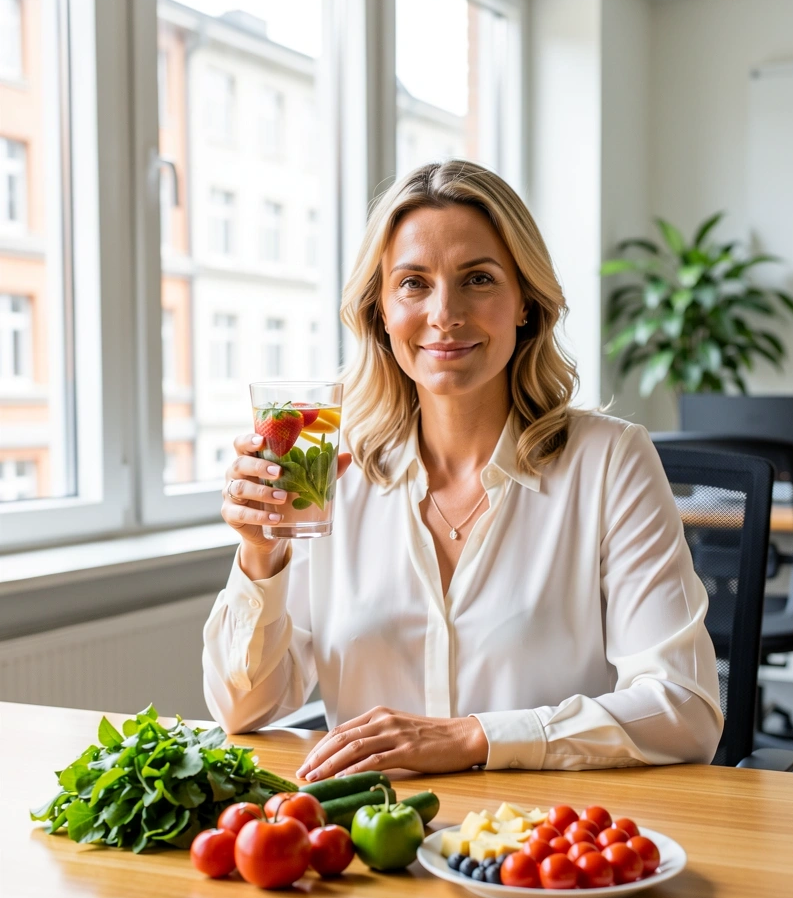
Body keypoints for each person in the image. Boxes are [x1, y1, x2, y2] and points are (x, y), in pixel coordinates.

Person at [203, 160, 723, 780]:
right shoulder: (330, 475)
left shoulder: (610, 461)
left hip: (542, 833)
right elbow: (242, 709)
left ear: (525, 302)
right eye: (413, 283)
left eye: (478, 279)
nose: (444, 313)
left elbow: (684, 708)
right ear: (380, 310)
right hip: (376, 828)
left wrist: (474, 738)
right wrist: (261, 557)